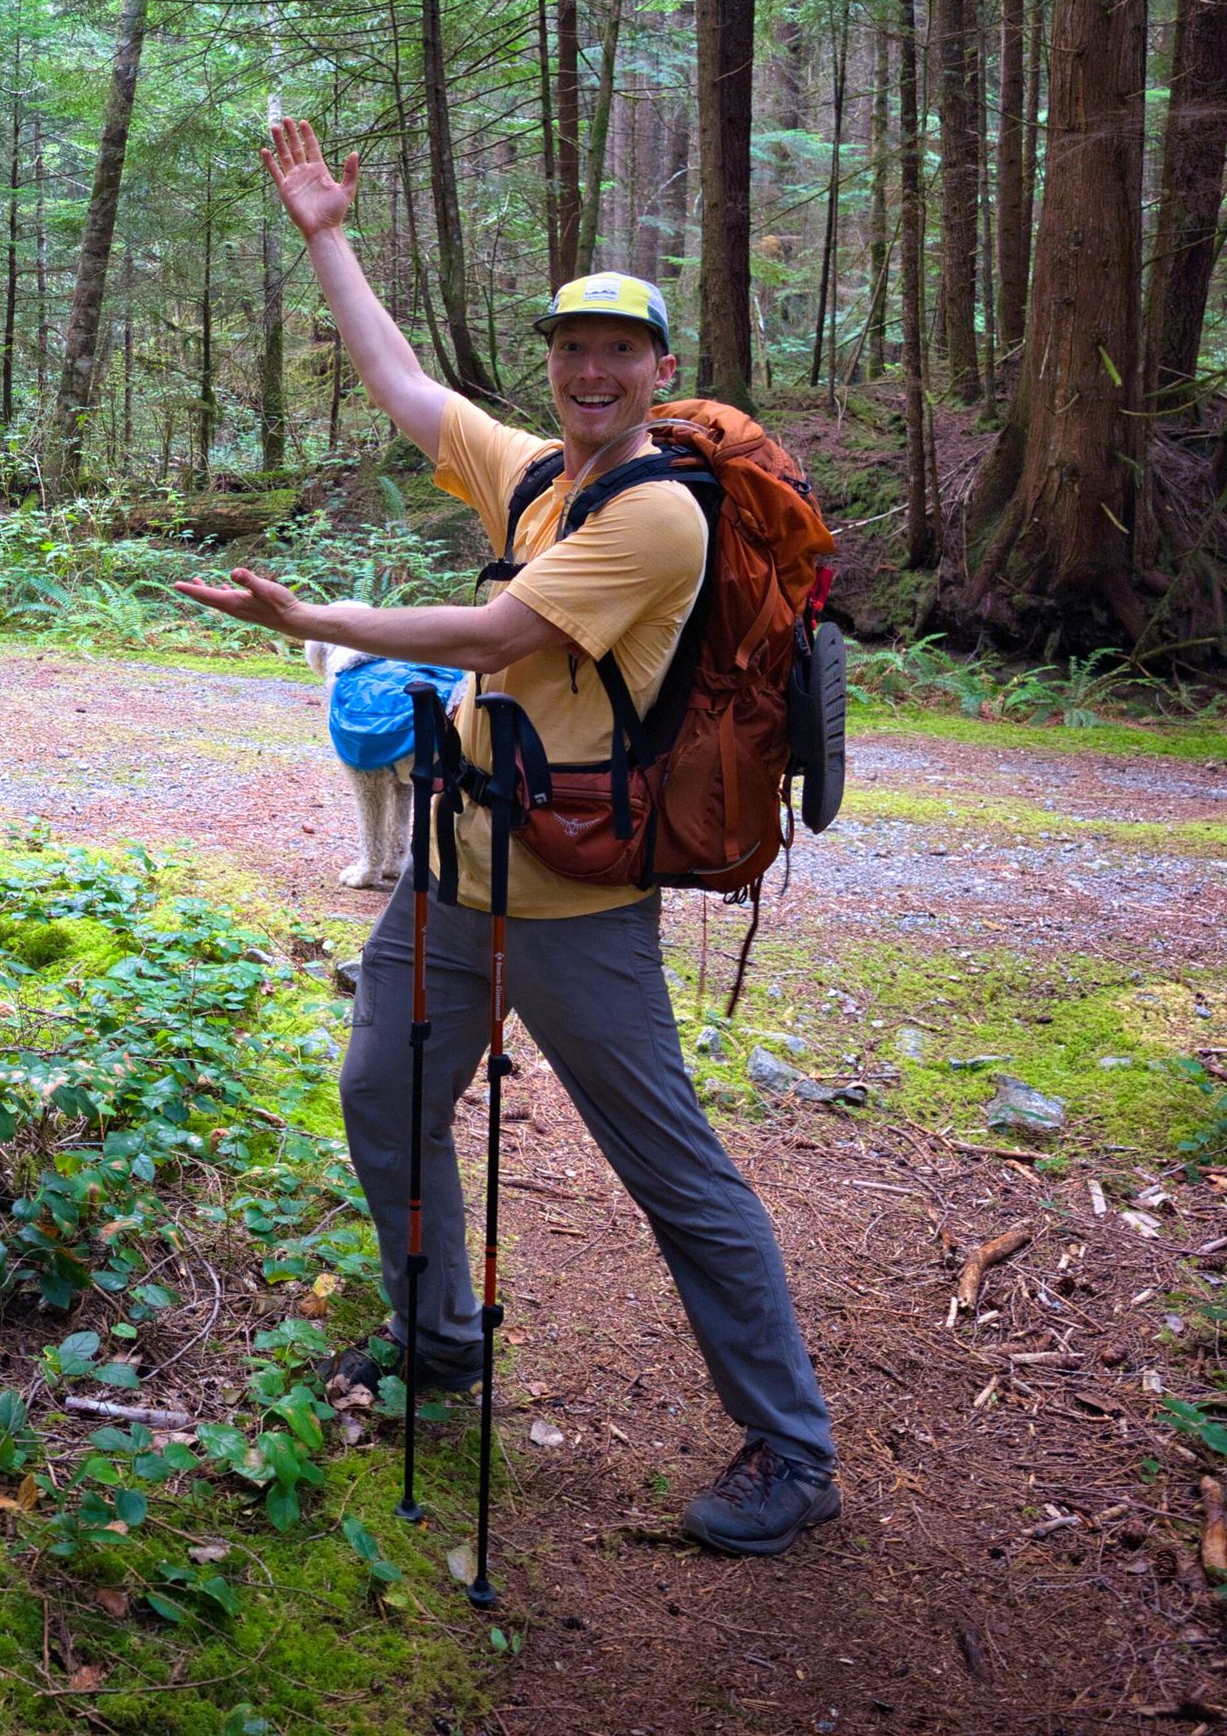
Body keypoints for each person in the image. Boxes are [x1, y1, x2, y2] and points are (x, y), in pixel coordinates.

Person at [174, 120, 838, 1558]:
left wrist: (312, 621)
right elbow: (406, 386)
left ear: (660, 370)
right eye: (573, 349)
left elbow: (498, 634)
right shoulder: (536, 472)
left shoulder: (660, 518)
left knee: (673, 1173)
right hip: (454, 873)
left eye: (620, 353)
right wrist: (325, 235)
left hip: (576, 900)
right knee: (381, 1095)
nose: (593, 371)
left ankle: (792, 1452)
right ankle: (438, 1339)